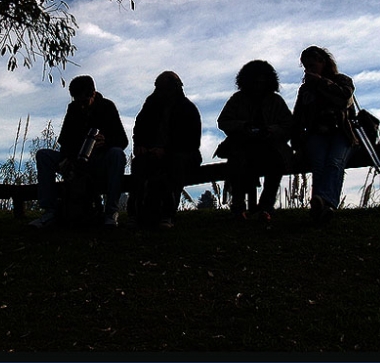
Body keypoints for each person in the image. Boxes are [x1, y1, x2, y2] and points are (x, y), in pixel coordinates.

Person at [29, 75, 129, 228]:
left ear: (93, 94)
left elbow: (122, 141)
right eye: (77, 101)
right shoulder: (73, 109)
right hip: (75, 161)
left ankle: (111, 213)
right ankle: (50, 212)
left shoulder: (107, 107)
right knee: (43, 155)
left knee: (117, 155)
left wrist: (106, 142)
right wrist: (66, 159)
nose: (81, 106)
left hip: (99, 161)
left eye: (84, 101)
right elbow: (65, 141)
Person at [215, 60, 293, 223]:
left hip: (271, 145)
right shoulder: (238, 99)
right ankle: (238, 208)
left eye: (262, 79)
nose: (259, 83)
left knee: (277, 164)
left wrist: (271, 130)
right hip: (242, 144)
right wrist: (244, 127)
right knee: (237, 164)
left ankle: (265, 207)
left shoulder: (275, 101)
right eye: (255, 79)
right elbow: (224, 121)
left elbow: (288, 125)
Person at [290, 46, 358, 225]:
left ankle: (324, 203)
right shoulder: (305, 90)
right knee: (319, 165)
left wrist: (321, 82)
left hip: (341, 132)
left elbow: (344, 99)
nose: (309, 69)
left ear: (323, 62)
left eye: (312, 64)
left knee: (335, 162)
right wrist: (297, 143)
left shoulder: (342, 81)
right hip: (316, 133)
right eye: (306, 66)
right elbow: (298, 116)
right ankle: (323, 207)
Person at [130, 71, 203, 229]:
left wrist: (166, 151)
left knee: (174, 164)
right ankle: (137, 213)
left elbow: (191, 141)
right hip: (153, 154)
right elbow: (139, 129)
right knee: (139, 165)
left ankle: (168, 214)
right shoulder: (150, 107)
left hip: (183, 155)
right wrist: (140, 146)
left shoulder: (187, 109)